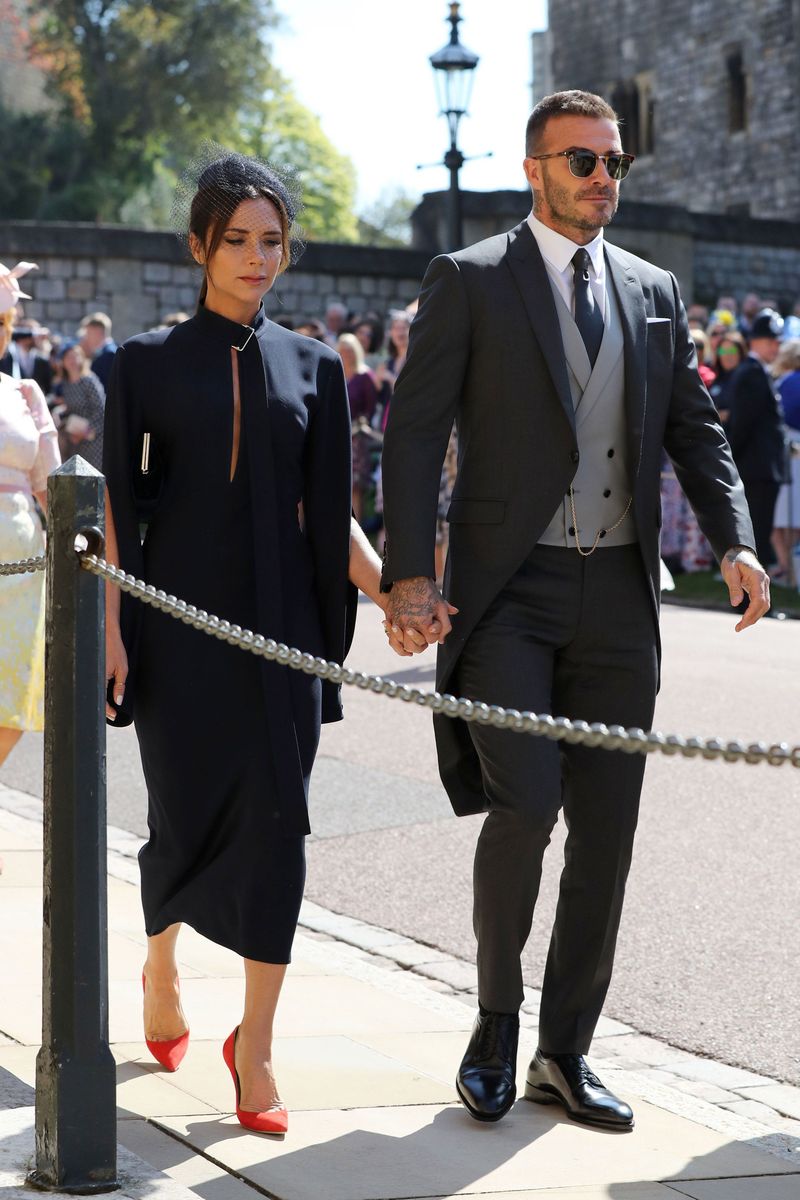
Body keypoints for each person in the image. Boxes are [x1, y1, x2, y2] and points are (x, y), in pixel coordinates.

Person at [380, 89, 768, 1131]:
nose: (603, 179)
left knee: (607, 829)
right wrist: (407, 575)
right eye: (582, 162)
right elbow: (413, 434)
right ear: (534, 169)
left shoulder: (652, 289)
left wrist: (732, 537)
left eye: (612, 164)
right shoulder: (466, 281)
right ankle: (495, 1023)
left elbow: (693, 426)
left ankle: (564, 1051)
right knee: (525, 803)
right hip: (508, 591)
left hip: (619, 599)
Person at [102, 152, 410, 1136]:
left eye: (270, 241)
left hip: (282, 637)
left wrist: (397, 595)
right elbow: (115, 507)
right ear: (199, 245)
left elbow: (333, 517)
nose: (255, 258)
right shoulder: (141, 364)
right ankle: (159, 966)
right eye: (236, 240)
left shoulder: (316, 367)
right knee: (178, 823)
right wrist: (112, 631)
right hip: (174, 630)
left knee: (278, 832)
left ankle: (257, 1048)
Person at [0, 299, 61, 769]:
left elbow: (55, 487)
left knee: (14, 696)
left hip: (23, 572)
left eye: (5, 321)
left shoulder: (23, 393)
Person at [725, 309, 786, 569]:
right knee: (756, 536)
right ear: (755, 341)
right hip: (755, 470)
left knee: (759, 533)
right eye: (770, 340)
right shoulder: (751, 373)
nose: (776, 346)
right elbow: (742, 426)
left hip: (760, 469)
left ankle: (753, 601)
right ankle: (751, 602)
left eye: (777, 340)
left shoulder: (758, 371)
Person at [337, 332, 379, 522]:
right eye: (343, 350)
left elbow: (370, 407)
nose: (346, 354)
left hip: (357, 435)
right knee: (339, 482)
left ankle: (357, 526)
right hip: (338, 433)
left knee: (356, 486)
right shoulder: (335, 371)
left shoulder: (364, 376)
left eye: (349, 350)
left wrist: (360, 423)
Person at [770, 338, 800, 582]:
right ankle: (789, 569)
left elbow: (782, 417)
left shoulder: (788, 382)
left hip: (789, 453)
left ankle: (786, 568)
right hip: (792, 453)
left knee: (783, 516)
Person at [56, 340, 106, 470]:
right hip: (75, 440)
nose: (72, 360)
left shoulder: (89, 380)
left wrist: (85, 432)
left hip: (94, 439)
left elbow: (101, 409)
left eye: (75, 356)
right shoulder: (66, 384)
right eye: (68, 357)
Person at [709, 331, 747, 424]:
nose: (727, 355)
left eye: (731, 350)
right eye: (723, 351)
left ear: (740, 353)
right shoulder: (716, 381)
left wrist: (730, 415)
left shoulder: (748, 379)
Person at [78, 311, 117, 391]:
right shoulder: (105, 352)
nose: (86, 337)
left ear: (97, 332)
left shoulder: (109, 354)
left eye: (88, 333)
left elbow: (105, 387)